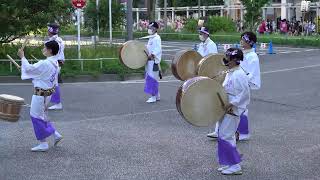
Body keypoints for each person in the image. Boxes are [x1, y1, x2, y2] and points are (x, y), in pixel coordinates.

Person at [18, 40, 63, 152]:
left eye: (44, 48)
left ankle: (43, 143)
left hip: (40, 95)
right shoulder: (55, 63)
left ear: (50, 50)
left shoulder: (45, 63)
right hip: (47, 95)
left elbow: (29, 69)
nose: (43, 49)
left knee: (35, 117)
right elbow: (44, 77)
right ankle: (55, 134)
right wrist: (33, 76)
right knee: (41, 116)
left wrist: (22, 57)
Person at [217, 48, 250, 175]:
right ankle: (228, 162)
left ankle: (235, 166)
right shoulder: (231, 72)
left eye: (228, 57)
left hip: (233, 109)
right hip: (226, 107)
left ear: (235, 60)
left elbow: (245, 94)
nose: (226, 59)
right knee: (223, 134)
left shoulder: (239, 74)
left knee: (226, 135)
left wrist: (232, 103)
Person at [46, 23, 65, 110]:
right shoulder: (60, 39)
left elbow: (52, 54)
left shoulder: (53, 41)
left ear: (50, 31)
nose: (47, 31)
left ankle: (57, 103)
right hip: (57, 63)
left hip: (54, 64)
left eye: (48, 30)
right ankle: (53, 102)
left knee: (53, 84)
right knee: (52, 83)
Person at [144, 21, 162, 103]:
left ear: (155, 29)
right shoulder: (151, 37)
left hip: (153, 62)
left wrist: (152, 55)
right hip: (149, 62)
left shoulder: (157, 38)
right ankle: (157, 95)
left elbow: (158, 49)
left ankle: (153, 97)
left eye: (151, 28)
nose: (149, 29)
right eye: (149, 28)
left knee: (152, 79)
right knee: (152, 78)